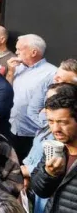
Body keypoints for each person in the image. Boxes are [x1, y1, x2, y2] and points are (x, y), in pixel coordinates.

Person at [21, 83, 77, 213]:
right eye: (51, 122)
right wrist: (49, 174)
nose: (55, 129)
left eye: (63, 122)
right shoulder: (55, 147)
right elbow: (40, 191)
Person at [8, 34, 56, 160]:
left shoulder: (51, 73)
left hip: (33, 133)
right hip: (11, 128)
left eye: (19, 49)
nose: (16, 52)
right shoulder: (17, 68)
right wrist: (10, 72)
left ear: (33, 52)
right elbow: (7, 91)